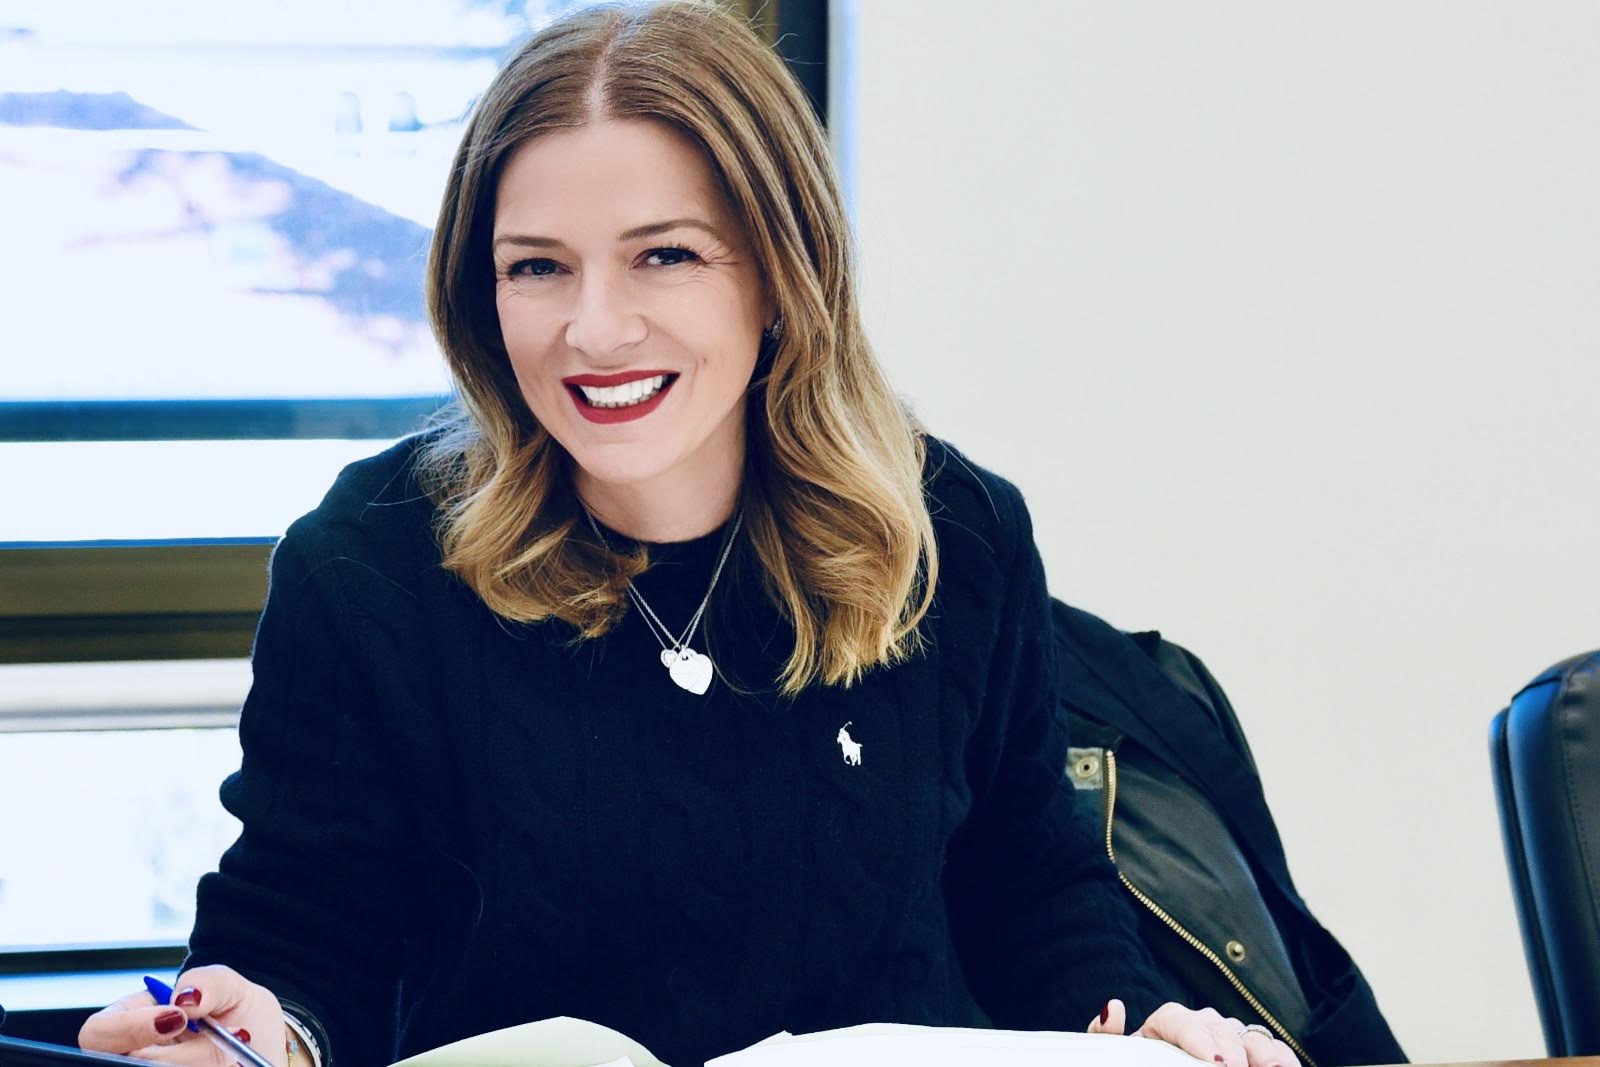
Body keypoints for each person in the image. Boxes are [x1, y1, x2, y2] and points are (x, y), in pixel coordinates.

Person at [79, 4, 1302, 1066]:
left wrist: (1141, 1019)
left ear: (778, 272)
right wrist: (257, 1030)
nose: (594, 328)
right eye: (536, 268)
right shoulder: (370, 561)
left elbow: (1033, 890)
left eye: (663, 255)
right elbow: (302, 936)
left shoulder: (953, 535)